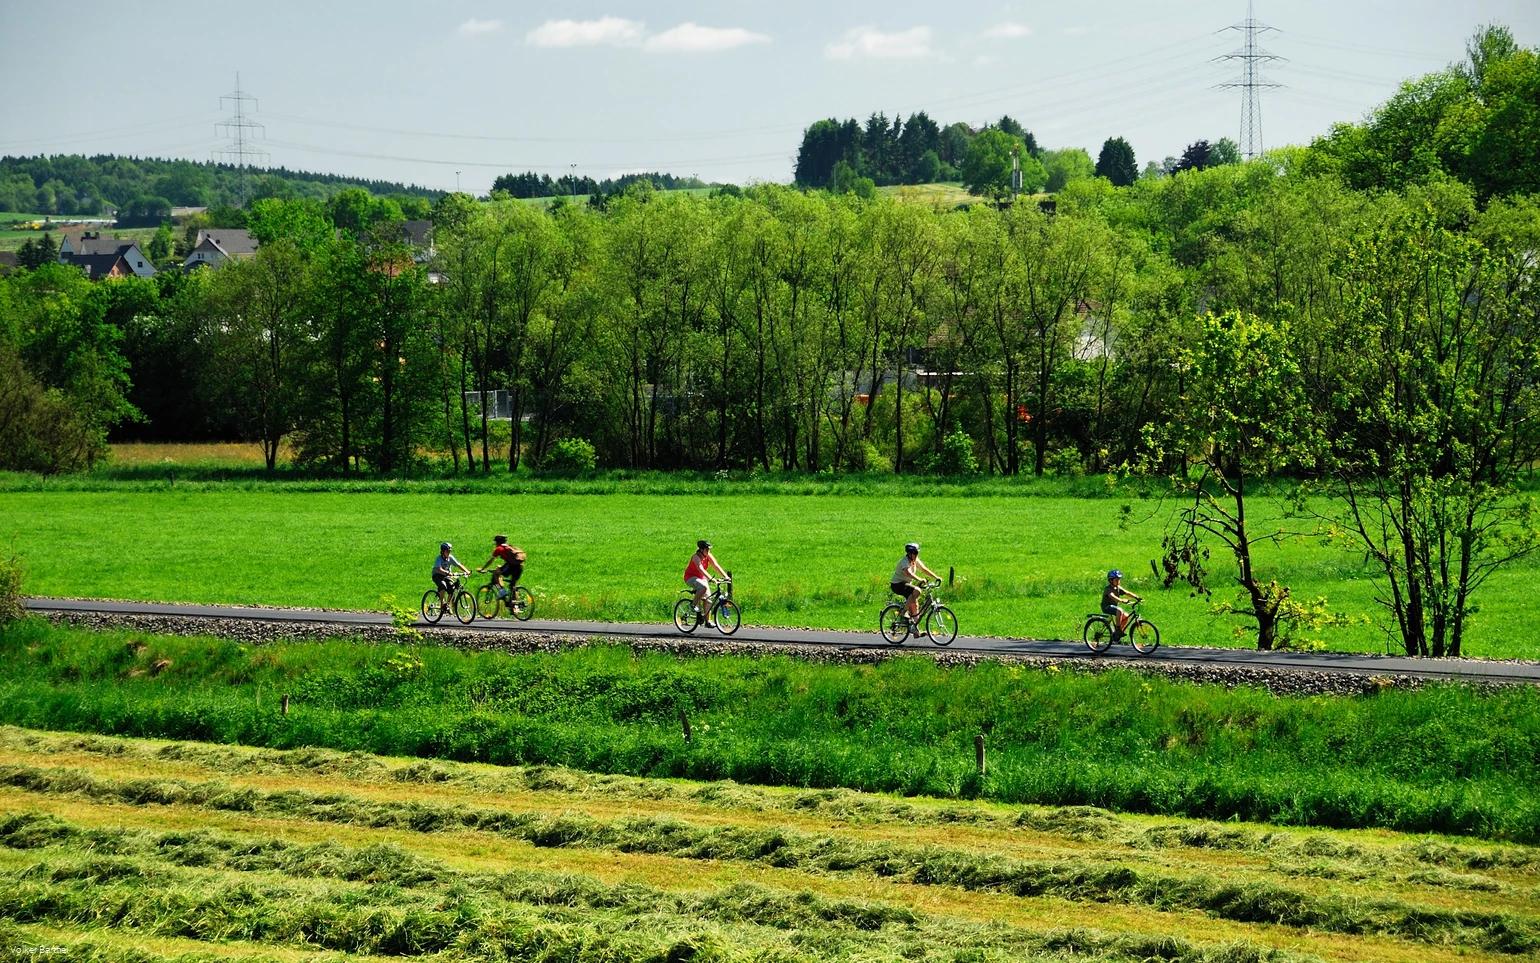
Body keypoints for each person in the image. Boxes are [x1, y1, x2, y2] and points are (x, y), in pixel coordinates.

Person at [891, 542, 940, 622]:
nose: (916, 555)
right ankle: (904, 612)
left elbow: (924, 569)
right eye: (915, 553)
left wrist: (936, 577)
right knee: (917, 590)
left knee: (915, 606)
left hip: (906, 585)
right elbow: (908, 573)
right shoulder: (904, 561)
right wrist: (919, 579)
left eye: (917, 553)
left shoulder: (915, 560)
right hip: (897, 584)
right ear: (909, 553)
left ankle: (916, 631)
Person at [684, 540, 728, 624]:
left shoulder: (708, 556)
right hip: (690, 577)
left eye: (709, 550)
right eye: (706, 549)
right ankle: (693, 605)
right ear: (701, 549)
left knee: (708, 599)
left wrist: (725, 576)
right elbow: (701, 569)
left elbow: (716, 566)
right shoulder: (696, 557)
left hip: (701, 577)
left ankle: (708, 621)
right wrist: (711, 578)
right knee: (703, 587)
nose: (708, 551)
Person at [477, 534, 525, 601]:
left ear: (497, 542)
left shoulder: (499, 549)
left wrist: (482, 569)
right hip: (520, 567)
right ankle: (515, 606)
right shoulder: (509, 547)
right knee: (513, 586)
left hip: (511, 566)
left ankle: (502, 591)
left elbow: (490, 561)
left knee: (496, 573)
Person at [1103, 569, 1143, 637]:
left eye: (1119, 580)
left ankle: (1118, 633)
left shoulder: (1118, 588)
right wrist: (1121, 600)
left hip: (1114, 607)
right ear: (1110, 580)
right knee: (1119, 610)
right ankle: (1118, 629)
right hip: (1107, 607)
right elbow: (1112, 596)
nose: (1118, 581)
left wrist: (1136, 597)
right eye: (1116, 580)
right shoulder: (1108, 589)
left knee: (1126, 615)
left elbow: (1127, 592)